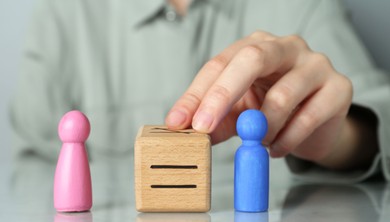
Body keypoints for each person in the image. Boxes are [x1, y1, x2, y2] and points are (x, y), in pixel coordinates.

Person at [10, 0, 390, 182]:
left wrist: (342, 139)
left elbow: (378, 108)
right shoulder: (64, 15)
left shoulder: (302, 8)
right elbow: (30, 168)